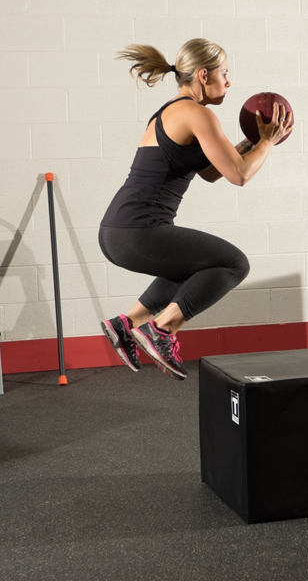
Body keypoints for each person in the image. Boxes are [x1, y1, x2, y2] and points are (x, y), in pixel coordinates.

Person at [99, 39, 293, 380]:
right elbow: (240, 174)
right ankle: (162, 329)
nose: (229, 82)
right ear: (203, 75)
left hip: (118, 231)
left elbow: (213, 171)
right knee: (234, 263)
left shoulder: (171, 111)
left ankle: (128, 323)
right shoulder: (197, 113)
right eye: (225, 73)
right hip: (139, 231)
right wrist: (267, 142)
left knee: (194, 269)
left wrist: (251, 140)